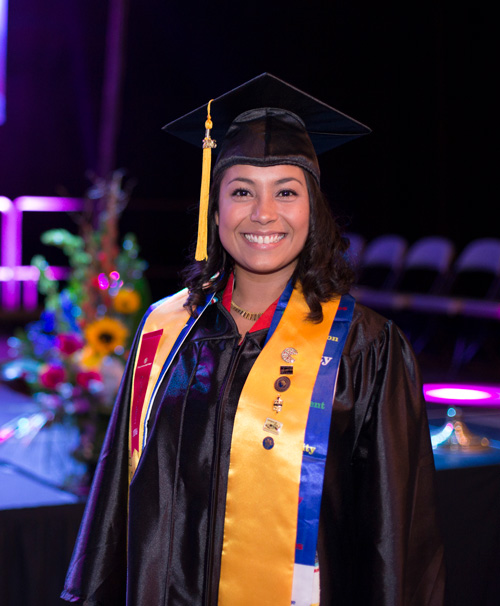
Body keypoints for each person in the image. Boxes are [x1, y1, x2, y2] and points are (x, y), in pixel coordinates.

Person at [62, 73, 445, 606]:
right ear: (214, 209)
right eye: (241, 192)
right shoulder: (164, 331)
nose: (263, 214)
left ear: (313, 209)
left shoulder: (366, 349)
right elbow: (115, 508)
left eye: (286, 192)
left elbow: (393, 540)